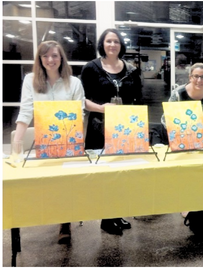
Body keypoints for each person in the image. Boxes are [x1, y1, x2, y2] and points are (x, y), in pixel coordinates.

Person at [13, 40, 85, 244]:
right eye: (46, 56)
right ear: (40, 59)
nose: (50, 60)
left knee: (66, 182)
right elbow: (26, 111)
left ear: (61, 58)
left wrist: (76, 143)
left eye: (55, 55)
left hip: (68, 140)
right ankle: (48, 214)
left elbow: (78, 114)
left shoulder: (74, 83)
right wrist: (16, 145)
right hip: (44, 141)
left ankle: (64, 223)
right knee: (46, 181)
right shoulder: (30, 80)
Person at [80, 28, 143, 235]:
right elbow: (83, 101)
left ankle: (116, 213)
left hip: (125, 128)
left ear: (121, 45)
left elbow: (138, 99)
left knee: (122, 173)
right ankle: (106, 219)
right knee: (105, 173)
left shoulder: (132, 69)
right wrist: (101, 107)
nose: (112, 45)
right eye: (108, 41)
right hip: (100, 126)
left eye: (116, 41)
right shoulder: (91, 68)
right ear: (102, 44)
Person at [160, 62, 203, 220]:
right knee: (181, 171)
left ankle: (195, 203)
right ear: (190, 77)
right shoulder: (178, 93)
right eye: (196, 76)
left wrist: (201, 139)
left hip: (198, 137)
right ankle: (183, 204)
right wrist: (179, 136)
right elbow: (167, 118)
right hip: (178, 136)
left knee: (198, 171)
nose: (199, 80)